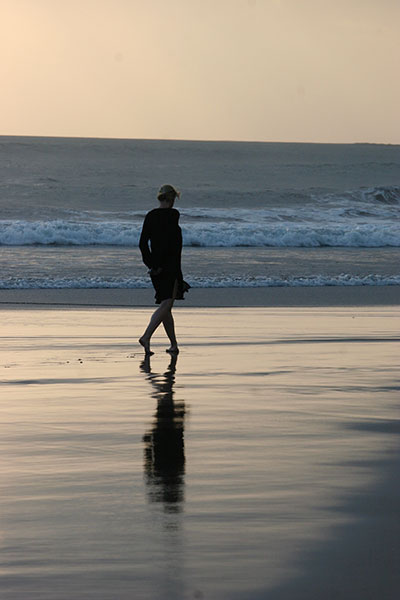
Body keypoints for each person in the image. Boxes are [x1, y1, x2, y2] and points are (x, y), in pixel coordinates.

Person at [138, 184, 188, 355]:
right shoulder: (173, 215)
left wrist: (151, 265)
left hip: (155, 267)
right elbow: (171, 245)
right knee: (167, 303)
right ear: (169, 198)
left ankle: (174, 345)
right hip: (170, 266)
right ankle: (146, 336)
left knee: (166, 305)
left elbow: (143, 244)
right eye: (173, 198)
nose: (174, 202)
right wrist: (164, 266)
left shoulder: (150, 216)